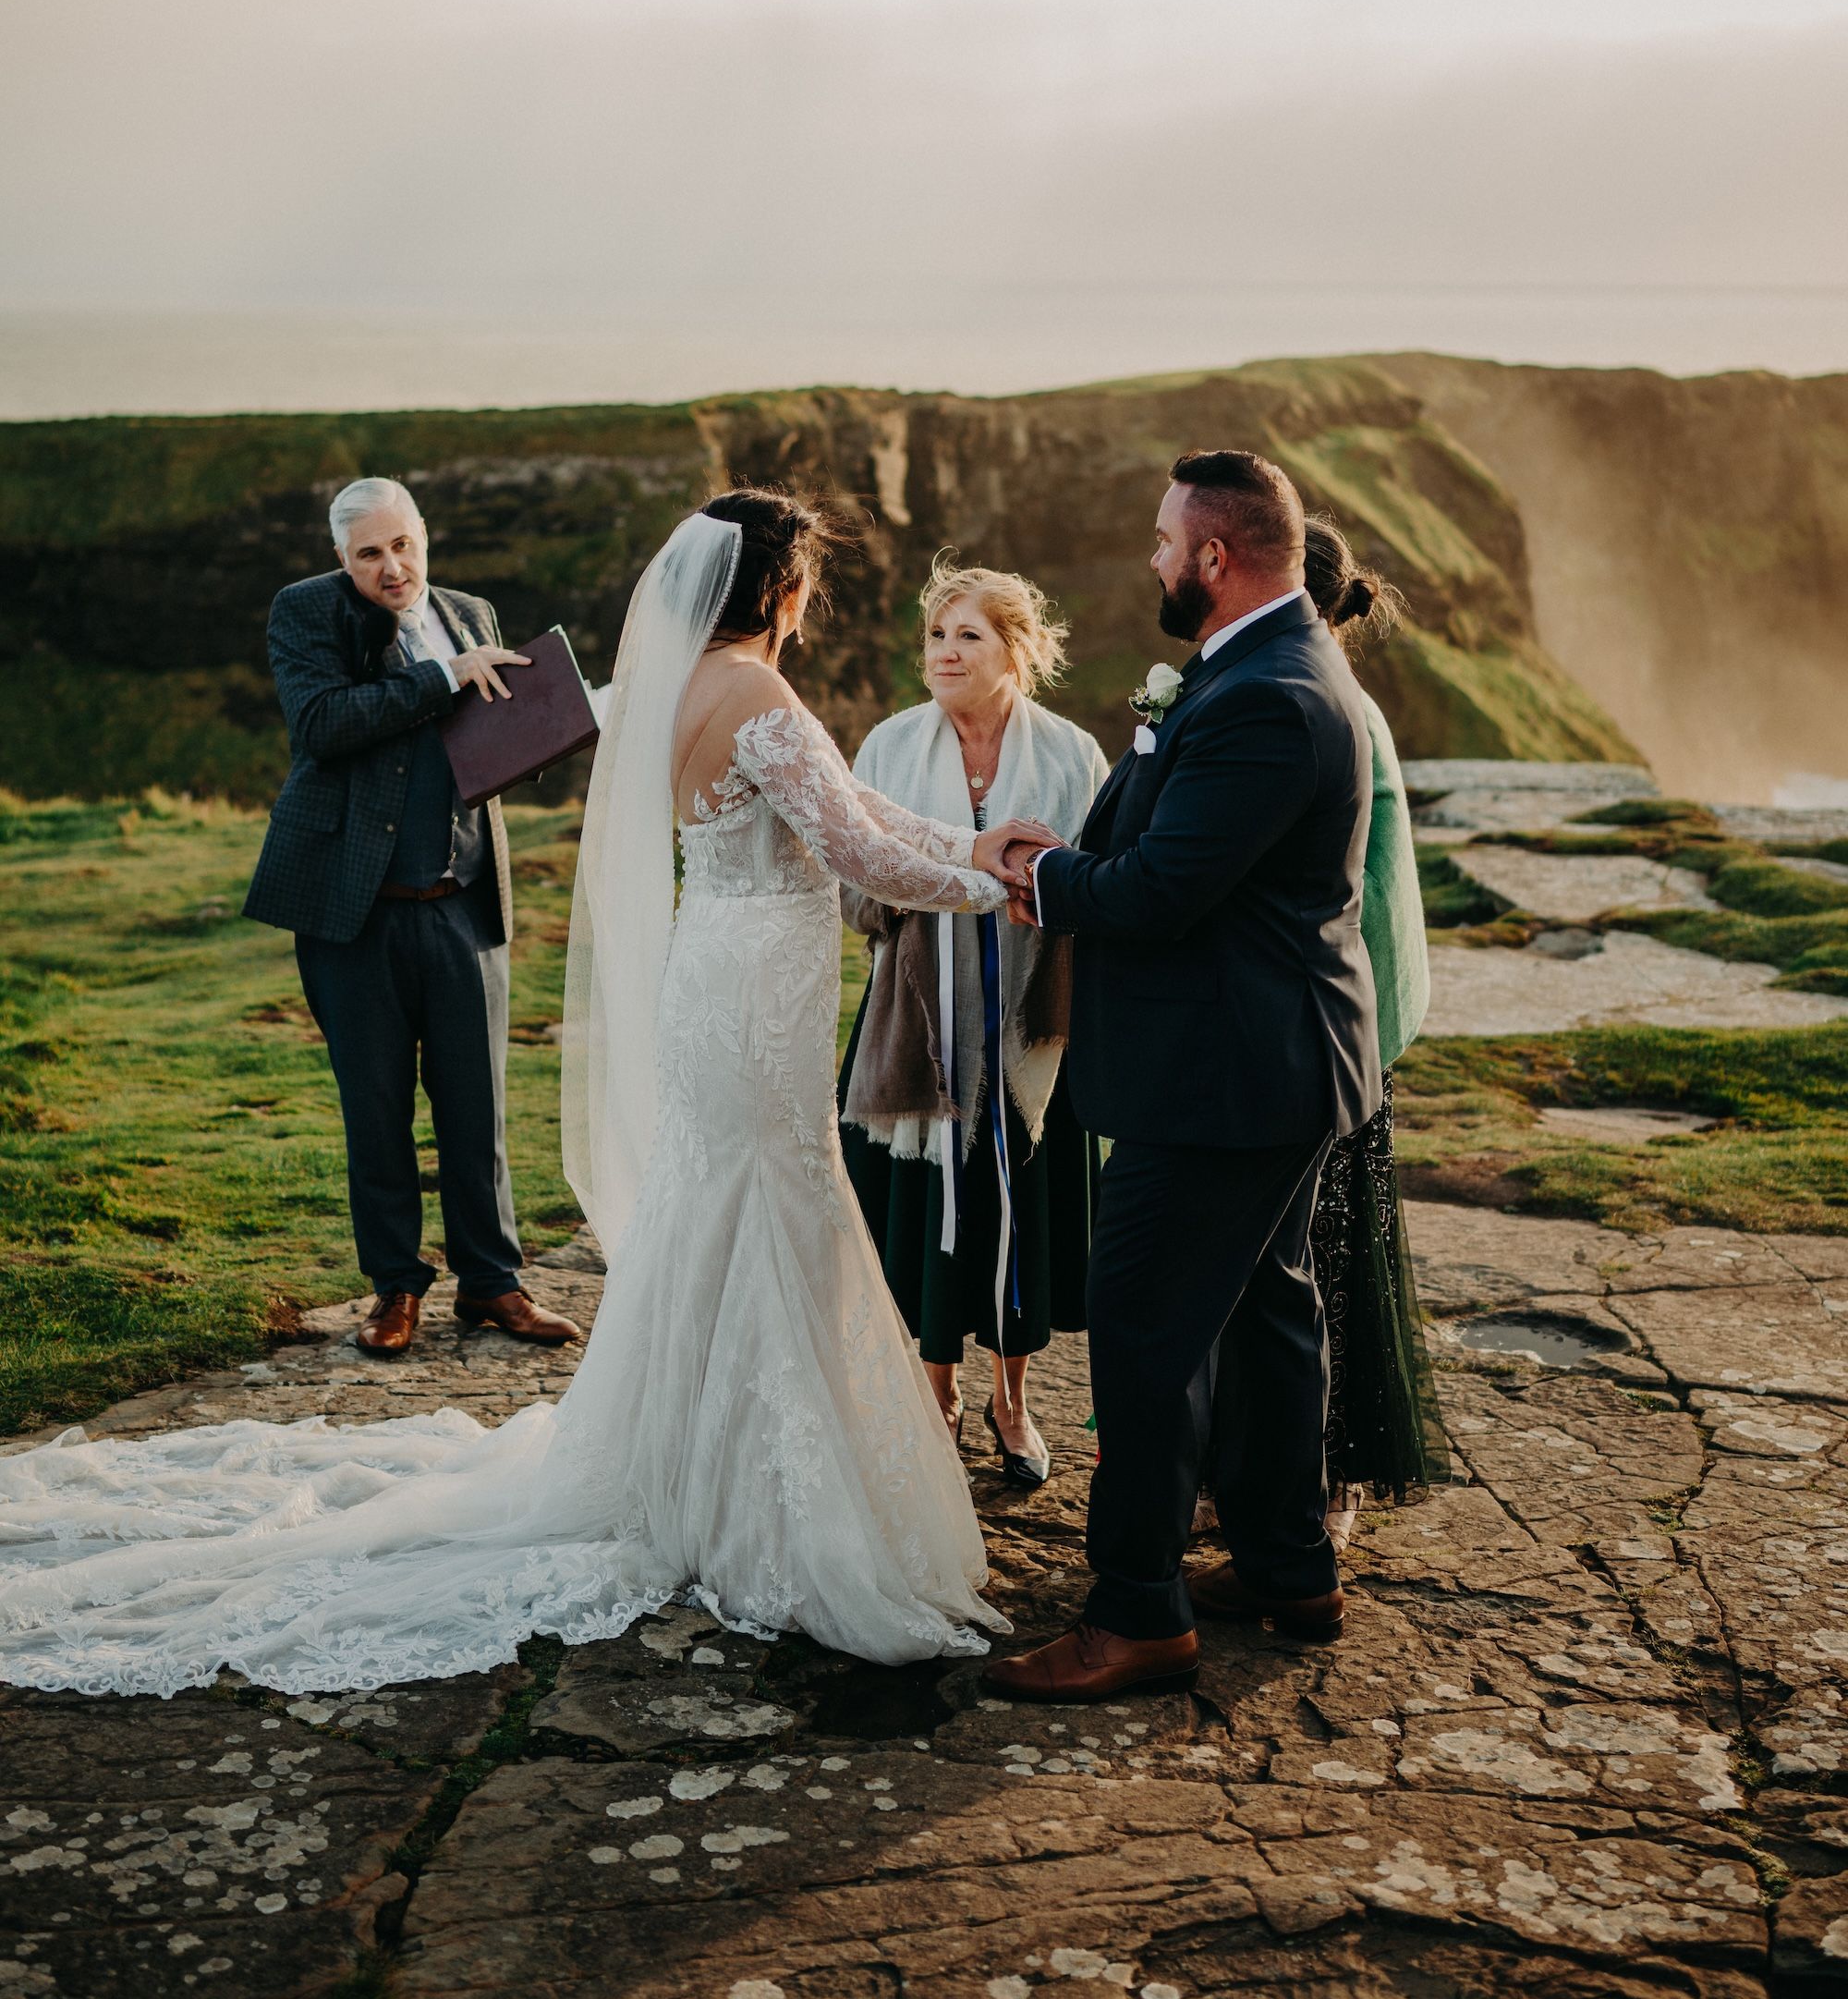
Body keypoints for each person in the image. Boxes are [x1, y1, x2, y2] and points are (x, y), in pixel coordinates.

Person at [0, 488, 1059, 1692]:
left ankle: (699, 1466)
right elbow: (856, 849)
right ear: (783, 587)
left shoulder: (680, 685)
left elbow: (857, 807)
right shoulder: (759, 694)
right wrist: (1000, 893)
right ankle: (763, 1496)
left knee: (727, 1209)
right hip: (758, 987)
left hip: (717, 971)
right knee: (777, 1211)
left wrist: (971, 844)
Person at [983, 448, 1380, 1704]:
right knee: (1268, 1313)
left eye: (1166, 540)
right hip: (1267, 1061)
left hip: (1225, 1076)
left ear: (1215, 555)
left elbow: (1159, 893)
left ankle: (1137, 1610)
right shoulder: (1258, 665)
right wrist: (1080, 843)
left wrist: (1039, 876)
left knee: (1149, 1335)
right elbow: (1166, 833)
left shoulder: (1269, 692)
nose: (1154, 558)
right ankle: (1287, 1561)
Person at [242, 476, 579, 1357]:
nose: (393, 568)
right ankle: (394, 1288)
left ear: (425, 534)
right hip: (353, 912)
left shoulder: (472, 609)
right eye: (369, 554)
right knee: (377, 1104)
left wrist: (551, 728)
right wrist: (439, 678)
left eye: (404, 545)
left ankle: (492, 1283)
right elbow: (321, 724)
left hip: (462, 901)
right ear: (340, 559)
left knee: (479, 1108)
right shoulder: (305, 613)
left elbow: (486, 734)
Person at [838, 557, 1109, 1485]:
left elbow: (1104, 880)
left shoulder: (1072, 753)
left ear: (1017, 649)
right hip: (916, 1026)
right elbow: (854, 882)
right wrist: (923, 894)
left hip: (1032, 1033)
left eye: (968, 635)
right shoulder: (886, 745)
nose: (945, 652)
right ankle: (935, 1389)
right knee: (924, 1215)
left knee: (1018, 1209)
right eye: (935, 635)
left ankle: (1011, 1395)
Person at [1295, 516, 1445, 1542]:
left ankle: (1329, 1475)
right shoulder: (1322, 695)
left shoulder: (1328, 707)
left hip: (1326, 1041)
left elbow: (1369, 896)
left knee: (1329, 1262)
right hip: (1325, 1032)